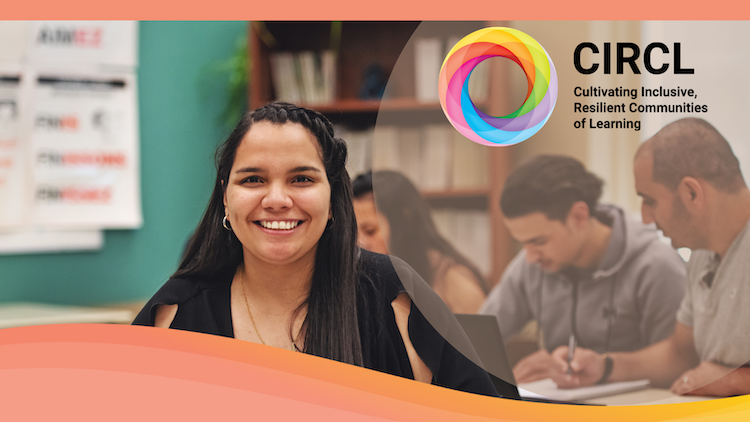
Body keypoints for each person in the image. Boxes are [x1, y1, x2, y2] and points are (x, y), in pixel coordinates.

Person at [132, 102, 498, 397]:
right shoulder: (175, 316)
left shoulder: (393, 295)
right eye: (253, 179)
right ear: (226, 197)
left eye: (301, 179)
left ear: (333, 197)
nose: (276, 200)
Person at [551, 118, 750, 397]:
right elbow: (680, 354)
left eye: (650, 201)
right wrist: (604, 366)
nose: (645, 218)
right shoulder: (702, 253)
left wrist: (735, 381)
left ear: (692, 192)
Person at [480, 155, 686, 384]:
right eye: (522, 243)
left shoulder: (657, 266)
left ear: (579, 216)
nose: (529, 257)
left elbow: (679, 362)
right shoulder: (532, 264)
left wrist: (600, 367)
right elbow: (475, 339)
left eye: (539, 241)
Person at [351, 170, 488, 313]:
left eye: (370, 231)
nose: (359, 243)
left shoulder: (456, 284)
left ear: (405, 222)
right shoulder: (368, 279)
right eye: (352, 232)